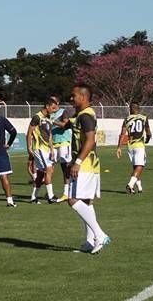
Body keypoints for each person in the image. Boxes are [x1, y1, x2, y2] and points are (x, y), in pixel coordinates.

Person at [64, 85, 110, 254]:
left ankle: (100, 235)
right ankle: (91, 241)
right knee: (86, 202)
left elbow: (90, 140)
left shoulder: (85, 116)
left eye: (73, 95)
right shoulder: (83, 115)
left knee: (72, 200)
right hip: (89, 164)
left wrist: (77, 161)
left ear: (83, 97)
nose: (71, 99)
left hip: (85, 165)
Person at [27, 97, 60, 203]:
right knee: (49, 169)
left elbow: (49, 135)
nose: (54, 110)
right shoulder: (37, 117)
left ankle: (33, 197)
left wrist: (52, 149)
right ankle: (51, 196)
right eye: (53, 108)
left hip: (47, 149)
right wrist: (29, 148)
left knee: (41, 173)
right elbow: (29, 133)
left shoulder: (49, 118)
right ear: (47, 106)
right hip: (39, 148)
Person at [116, 102, 151, 194]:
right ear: (138, 109)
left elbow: (122, 134)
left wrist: (119, 147)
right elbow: (148, 133)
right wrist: (147, 139)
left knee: (135, 167)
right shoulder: (144, 118)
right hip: (139, 145)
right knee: (140, 166)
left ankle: (139, 187)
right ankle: (130, 185)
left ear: (131, 109)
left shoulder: (127, 119)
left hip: (130, 146)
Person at [50, 104, 73, 201]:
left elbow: (65, 125)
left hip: (64, 142)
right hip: (53, 144)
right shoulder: (50, 114)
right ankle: (50, 193)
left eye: (53, 103)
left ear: (57, 103)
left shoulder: (63, 112)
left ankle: (67, 193)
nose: (51, 106)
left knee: (66, 168)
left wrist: (53, 122)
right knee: (49, 168)